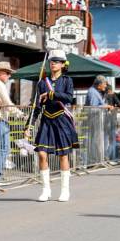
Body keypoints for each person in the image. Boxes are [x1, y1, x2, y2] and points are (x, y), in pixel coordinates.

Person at [25, 50, 79, 202]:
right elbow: (36, 105)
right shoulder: (42, 82)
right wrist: (28, 125)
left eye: (57, 61)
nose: (53, 63)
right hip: (46, 120)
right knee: (42, 154)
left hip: (61, 119)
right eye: (51, 61)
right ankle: (46, 189)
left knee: (63, 155)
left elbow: (69, 97)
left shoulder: (67, 80)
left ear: (63, 64)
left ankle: (64, 190)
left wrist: (51, 95)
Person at [0, 62, 24, 182]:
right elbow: (7, 102)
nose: (9, 76)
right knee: (4, 148)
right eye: (7, 73)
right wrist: (20, 114)